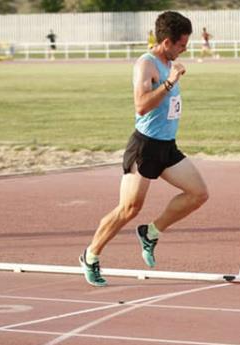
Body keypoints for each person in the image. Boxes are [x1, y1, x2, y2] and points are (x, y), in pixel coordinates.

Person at [81, 10, 209, 287]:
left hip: (167, 147)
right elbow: (141, 105)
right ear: (166, 42)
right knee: (128, 208)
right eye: (182, 46)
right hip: (144, 147)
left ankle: (151, 232)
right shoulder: (146, 65)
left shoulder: (168, 62)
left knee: (198, 194)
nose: (184, 51)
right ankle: (90, 255)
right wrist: (170, 81)